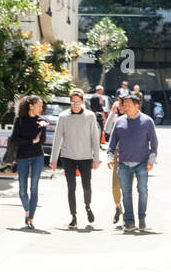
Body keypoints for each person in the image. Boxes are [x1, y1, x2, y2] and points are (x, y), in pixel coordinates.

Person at [49, 89, 102, 228]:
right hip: (68, 157)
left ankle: (88, 206)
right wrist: (53, 160)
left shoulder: (90, 116)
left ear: (82, 102)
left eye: (77, 102)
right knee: (71, 187)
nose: (75, 104)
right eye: (72, 102)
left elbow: (95, 138)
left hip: (85, 157)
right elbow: (57, 138)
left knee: (86, 186)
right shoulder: (63, 117)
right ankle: (73, 216)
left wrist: (96, 158)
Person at [107, 93, 158, 233]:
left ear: (137, 106)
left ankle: (142, 219)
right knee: (126, 193)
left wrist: (151, 160)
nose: (125, 107)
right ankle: (129, 221)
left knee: (142, 191)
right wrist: (110, 157)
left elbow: (154, 143)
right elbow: (112, 143)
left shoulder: (147, 121)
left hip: (142, 163)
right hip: (123, 163)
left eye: (129, 104)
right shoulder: (119, 121)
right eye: (124, 104)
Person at [10, 94, 48, 229]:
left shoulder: (41, 120)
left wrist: (43, 128)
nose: (41, 108)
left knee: (34, 189)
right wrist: (31, 141)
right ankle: (27, 211)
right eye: (38, 106)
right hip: (22, 158)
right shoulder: (19, 120)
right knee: (22, 190)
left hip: (37, 156)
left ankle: (30, 218)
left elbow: (42, 141)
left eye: (41, 106)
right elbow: (14, 139)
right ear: (31, 106)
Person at [103, 95, 126, 225]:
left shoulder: (132, 117)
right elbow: (106, 130)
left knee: (127, 187)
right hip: (118, 154)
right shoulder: (116, 118)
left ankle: (127, 214)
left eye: (123, 104)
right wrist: (112, 112)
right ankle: (118, 207)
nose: (121, 107)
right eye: (119, 105)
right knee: (115, 187)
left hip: (131, 154)